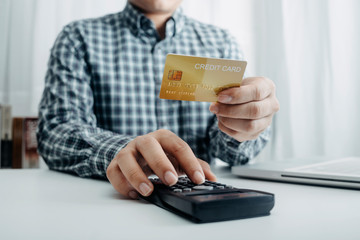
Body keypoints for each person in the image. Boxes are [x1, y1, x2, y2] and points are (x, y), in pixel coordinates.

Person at [37, 0, 279, 199]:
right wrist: (121, 152)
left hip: (203, 204)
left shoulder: (221, 43)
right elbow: (55, 132)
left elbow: (232, 154)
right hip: (111, 207)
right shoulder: (78, 38)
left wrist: (243, 126)